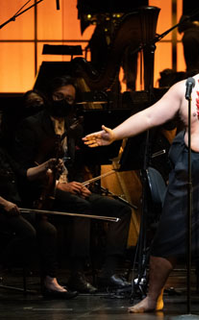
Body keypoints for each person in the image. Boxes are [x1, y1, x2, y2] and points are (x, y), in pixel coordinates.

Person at [83, 32, 199, 314]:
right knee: (169, 233)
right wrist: (115, 135)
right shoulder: (186, 88)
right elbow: (151, 116)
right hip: (192, 169)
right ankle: (153, 297)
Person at [12, 76, 131, 293]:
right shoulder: (31, 125)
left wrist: (78, 182)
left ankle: (109, 273)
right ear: (49, 96)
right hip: (41, 193)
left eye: (69, 99)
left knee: (120, 209)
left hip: (70, 190)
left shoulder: (72, 127)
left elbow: (73, 166)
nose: (64, 102)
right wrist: (58, 187)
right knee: (81, 207)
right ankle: (77, 274)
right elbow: (22, 171)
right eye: (59, 97)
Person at [0, 147, 78, 299]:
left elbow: (24, 174)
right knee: (27, 233)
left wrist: (46, 165)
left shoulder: (2, 152)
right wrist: (3, 203)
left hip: (14, 207)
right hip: (2, 208)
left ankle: (50, 282)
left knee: (48, 230)